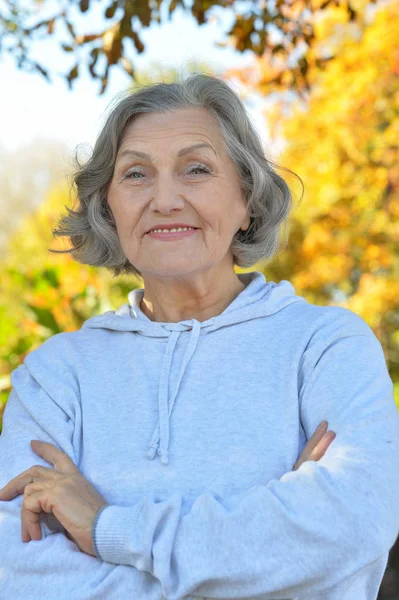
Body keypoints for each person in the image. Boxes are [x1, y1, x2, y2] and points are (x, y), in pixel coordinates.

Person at [0, 72, 398, 600]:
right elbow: (18, 573)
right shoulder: (54, 377)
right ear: (108, 207)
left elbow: (352, 522)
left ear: (247, 199)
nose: (165, 199)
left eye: (196, 169)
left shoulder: (325, 347)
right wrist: (276, 559)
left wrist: (105, 530)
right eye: (136, 174)